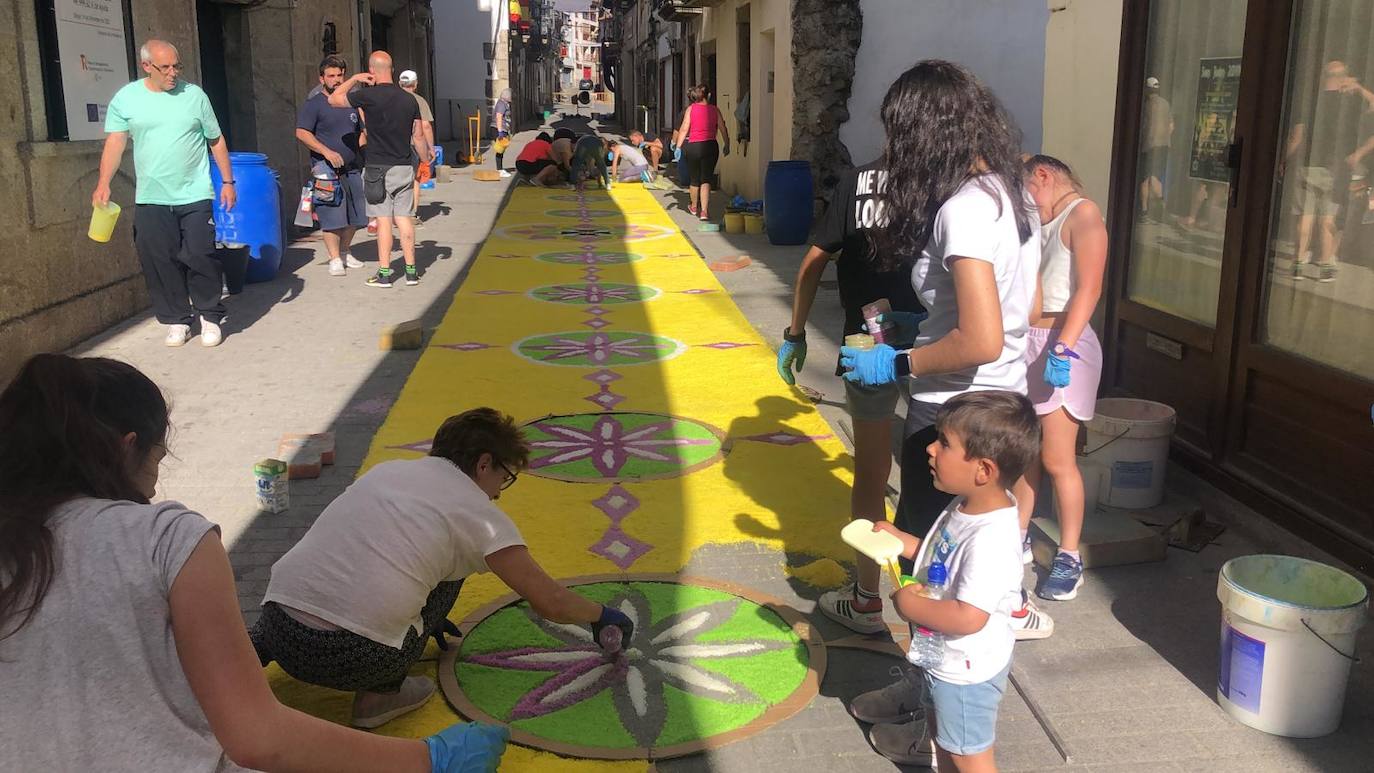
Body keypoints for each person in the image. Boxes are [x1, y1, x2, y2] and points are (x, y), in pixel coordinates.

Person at [0, 354, 509, 771]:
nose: (155, 483)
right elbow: (258, 737)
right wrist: (428, 759)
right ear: (124, 448)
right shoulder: (166, 537)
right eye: (157, 458)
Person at [837, 59, 1050, 764]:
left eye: (901, 136)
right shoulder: (1009, 190)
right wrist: (915, 323)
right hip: (994, 395)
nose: (897, 155)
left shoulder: (963, 207)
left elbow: (980, 334)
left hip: (954, 411)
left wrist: (895, 360)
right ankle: (924, 690)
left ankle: (933, 709)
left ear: (929, 131)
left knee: (935, 575)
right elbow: (1002, 318)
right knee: (951, 558)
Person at [250, 408, 635, 729]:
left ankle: (248, 654)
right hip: (356, 659)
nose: (499, 492)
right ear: (484, 463)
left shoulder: (385, 471)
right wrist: (602, 615)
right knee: (460, 561)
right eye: (504, 477)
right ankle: (379, 696)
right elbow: (550, 601)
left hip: (276, 625)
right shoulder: (481, 517)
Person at [779, 158, 926, 634]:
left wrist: (796, 331)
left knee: (871, 466)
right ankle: (942, 589)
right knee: (942, 461)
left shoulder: (858, 179)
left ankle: (867, 597)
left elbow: (814, 259)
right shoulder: (950, 179)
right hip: (939, 339)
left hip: (866, 339)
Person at [869, 391, 1039, 771]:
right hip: (943, 659)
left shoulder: (991, 539)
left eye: (944, 443)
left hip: (965, 671)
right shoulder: (967, 504)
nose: (930, 448)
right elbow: (943, 556)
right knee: (945, 744)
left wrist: (909, 603)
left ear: (984, 470)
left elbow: (968, 616)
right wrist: (907, 544)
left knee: (968, 756)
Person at [93, 39, 235, 348]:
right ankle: (176, 320)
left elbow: (216, 139)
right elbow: (115, 142)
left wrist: (228, 181)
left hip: (194, 192)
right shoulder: (127, 98)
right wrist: (104, 182)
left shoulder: (194, 96)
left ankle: (209, 315)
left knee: (200, 255)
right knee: (160, 260)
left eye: (176, 65)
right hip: (152, 196)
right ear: (146, 66)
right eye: (165, 67)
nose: (173, 73)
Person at [1016, 155, 1107, 602]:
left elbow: (1089, 288)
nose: (1025, 201)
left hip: (1062, 344)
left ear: (1044, 176)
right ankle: (1018, 542)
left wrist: (1064, 347)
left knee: (1057, 459)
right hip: (1028, 342)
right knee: (1023, 454)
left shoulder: (1083, 214)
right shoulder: (1038, 222)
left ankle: (1069, 555)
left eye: (1026, 188)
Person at [330, 51, 430, 289]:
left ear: (372, 71)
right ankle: (411, 272)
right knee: (404, 217)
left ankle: (385, 274)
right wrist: (425, 159)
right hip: (404, 165)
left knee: (384, 220)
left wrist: (355, 78)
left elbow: (334, 99)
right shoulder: (409, 99)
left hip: (377, 167)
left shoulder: (368, 95)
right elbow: (418, 135)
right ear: (392, 69)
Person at [1283, 59, 1374, 282]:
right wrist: (1359, 89)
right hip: (1336, 168)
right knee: (1327, 218)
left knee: (1305, 216)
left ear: (1324, 76)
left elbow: (1297, 136)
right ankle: (1325, 265)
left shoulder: (1312, 101)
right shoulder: (1350, 103)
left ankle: (1297, 263)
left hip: (1309, 165)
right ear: (1344, 77)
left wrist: (1282, 160)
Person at [296, 55, 368, 277]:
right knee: (331, 215)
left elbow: (362, 132)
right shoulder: (314, 104)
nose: (336, 80)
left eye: (340, 75)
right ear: (322, 78)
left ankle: (345, 252)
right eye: (331, 76)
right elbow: (301, 132)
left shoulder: (350, 103)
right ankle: (334, 258)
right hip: (325, 168)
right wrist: (326, 152)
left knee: (358, 214)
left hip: (353, 166)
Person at [673, 84, 730, 221]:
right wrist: (727, 144)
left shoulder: (691, 109)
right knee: (706, 179)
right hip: (710, 146)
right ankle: (704, 211)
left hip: (693, 147)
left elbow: (684, 128)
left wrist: (678, 147)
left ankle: (693, 206)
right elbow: (722, 128)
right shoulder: (715, 110)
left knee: (694, 179)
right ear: (708, 96)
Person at [399, 69, 436, 222]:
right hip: (412, 145)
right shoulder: (419, 101)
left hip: (391, 144)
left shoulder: (391, 98)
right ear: (415, 84)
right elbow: (425, 126)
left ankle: (392, 214)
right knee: (414, 178)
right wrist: (430, 148)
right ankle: (411, 212)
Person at [1138, 76, 1173, 223]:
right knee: (1156, 177)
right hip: (1164, 145)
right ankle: (1162, 208)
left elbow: (1144, 127)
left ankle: (1145, 211)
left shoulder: (1146, 105)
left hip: (1149, 145)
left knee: (1145, 179)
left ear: (1147, 89)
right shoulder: (1166, 104)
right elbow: (1171, 125)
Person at [491, 88, 513, 178]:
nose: (512, 97)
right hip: (498, 129)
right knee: (500, 150)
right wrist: (500, 132)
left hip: (503, 129)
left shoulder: (504, 104)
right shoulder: (501, 104)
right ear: (507, 96)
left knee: (501, 150)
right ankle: (499, 170)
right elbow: (499, 117)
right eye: (511, 96)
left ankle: (500, 169)